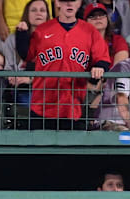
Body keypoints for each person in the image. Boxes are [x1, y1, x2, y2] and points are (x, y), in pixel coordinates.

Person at [25, 0, 111, 130]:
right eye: (64, 1)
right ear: (57, 3)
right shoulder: (42, 30)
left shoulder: (90, 31)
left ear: (79, 3)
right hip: (42, 104)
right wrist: (21, 35)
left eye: (73, 1)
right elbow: (27, 56)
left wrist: (99, 67)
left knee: (72, 149)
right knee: (39, 149)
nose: (69, 4)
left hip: (73, 106)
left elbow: (102, 58)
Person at [84, 2, 129, 68]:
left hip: (112, 77)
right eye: (92, 16)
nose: (98, 18)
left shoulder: (117, 40)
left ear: (107, 19)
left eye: (102, 15)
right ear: (85, 22)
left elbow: (120, 67)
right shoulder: (80, 42)